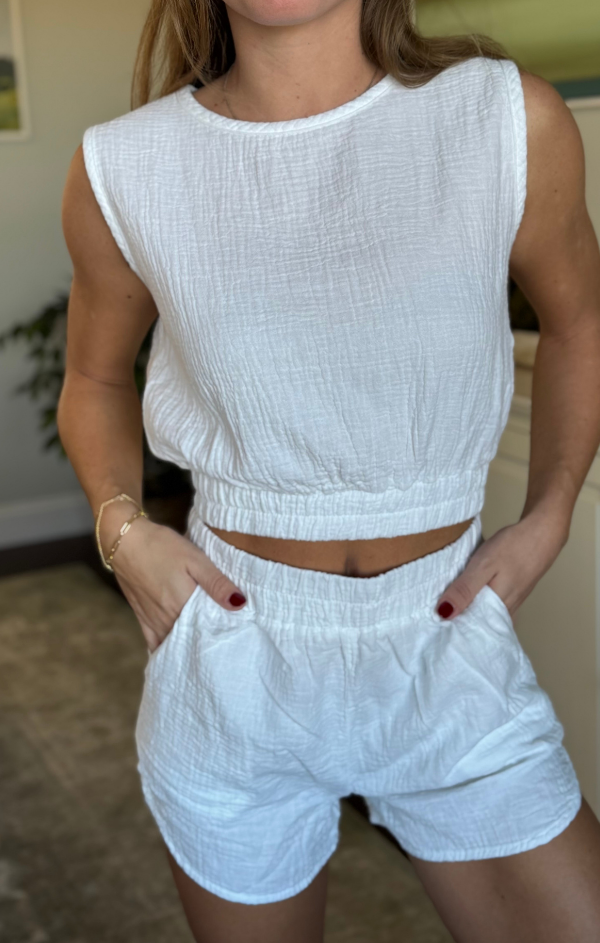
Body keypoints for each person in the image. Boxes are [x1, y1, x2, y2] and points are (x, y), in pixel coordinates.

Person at [57, 0, 600, 938]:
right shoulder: (124, 166)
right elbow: (93, 377)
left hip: (450, 648)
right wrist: (122, 527)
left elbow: (580, 321)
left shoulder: (504, 120)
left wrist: (551, 513)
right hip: (232, 657)